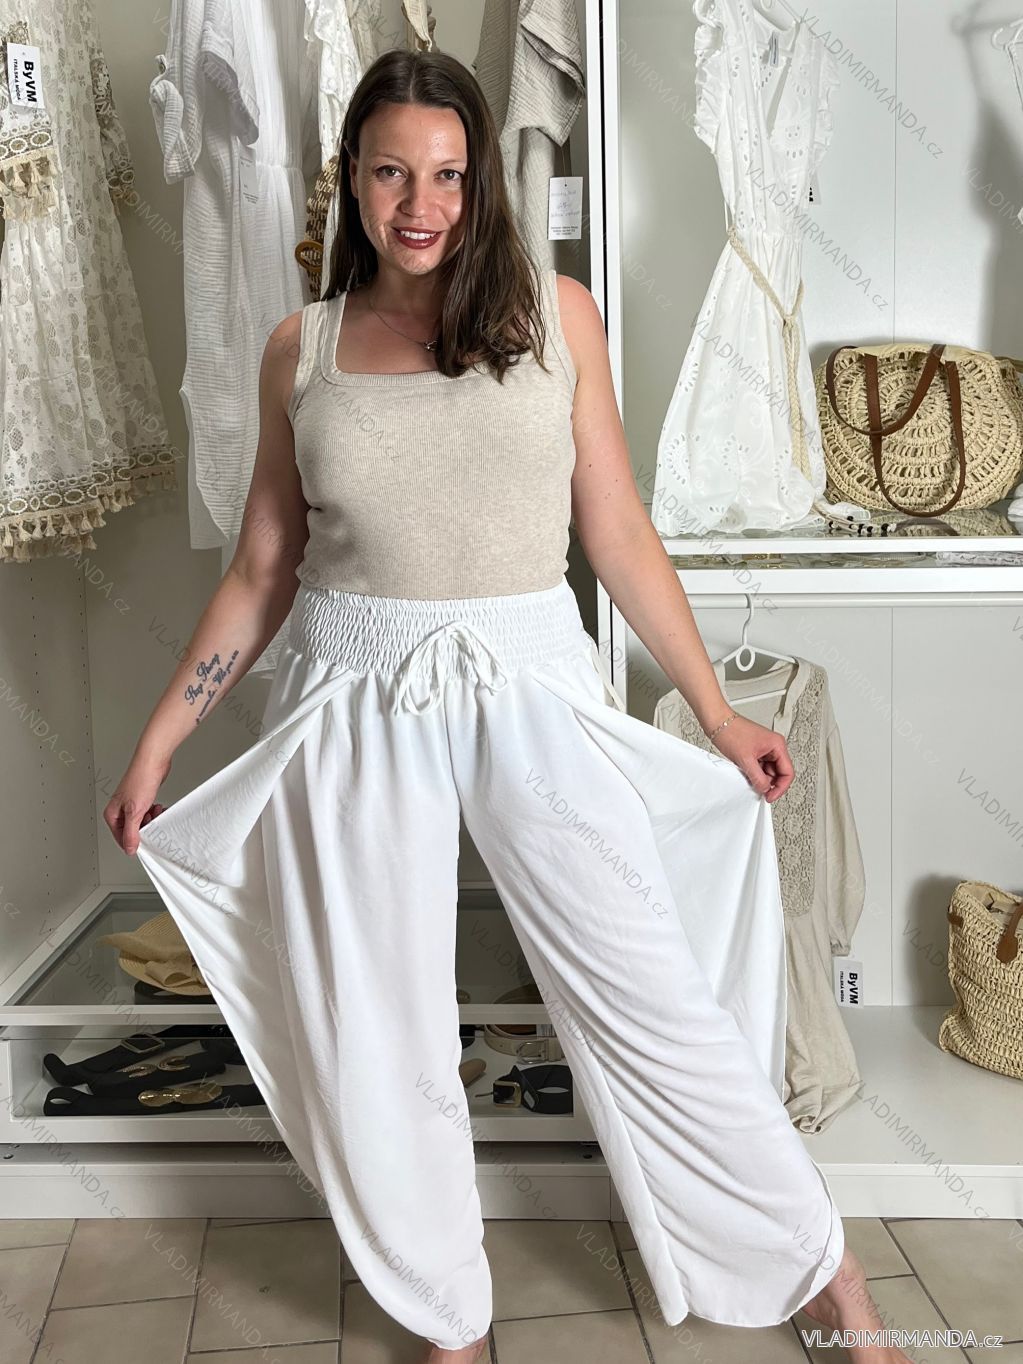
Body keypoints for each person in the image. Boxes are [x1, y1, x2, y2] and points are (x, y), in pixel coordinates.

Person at [106, 48, 912, 1364]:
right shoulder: (300, 351)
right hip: (352, 693)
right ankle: (448, 1323)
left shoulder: (559, 318)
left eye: (446, 175)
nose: (419, 205)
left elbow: (620, 536)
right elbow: (261, 569)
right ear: (351, 179)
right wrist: (159, 745)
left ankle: (826, 1272)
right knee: (382, 1029)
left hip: (531, 678)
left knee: (649, 990)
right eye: (390, 173)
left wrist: (716, 713)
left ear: (481, 182)